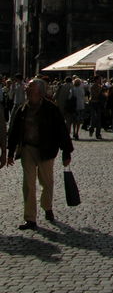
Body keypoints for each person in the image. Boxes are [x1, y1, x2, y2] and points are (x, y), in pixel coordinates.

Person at [7, 78, 73, 230]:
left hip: (46, 149)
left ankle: (47, 206)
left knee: (47, 182)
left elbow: (61, 131)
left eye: (30, 88)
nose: (27, 90)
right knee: (28, 184)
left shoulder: (51, 109)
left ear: (40, 92)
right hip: (28, 149)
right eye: (28, 88)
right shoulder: (22, 108)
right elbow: (14, 131)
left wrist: (66, 152)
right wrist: (11, 152)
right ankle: (30, 218)